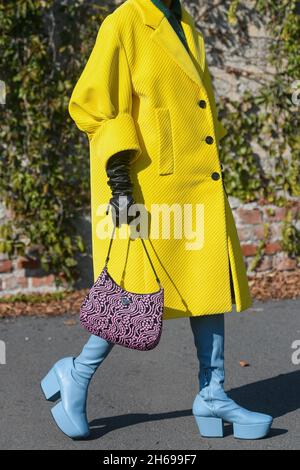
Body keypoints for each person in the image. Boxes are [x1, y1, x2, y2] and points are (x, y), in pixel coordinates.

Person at [41, 0, 273, 440]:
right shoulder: (125, 21)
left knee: (206, 287)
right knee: (133, 294)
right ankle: (77, 372)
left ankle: (213, 392)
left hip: (196, 181)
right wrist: (118, 182)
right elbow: (94, 106)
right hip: (148, 187)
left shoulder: (189, 27)